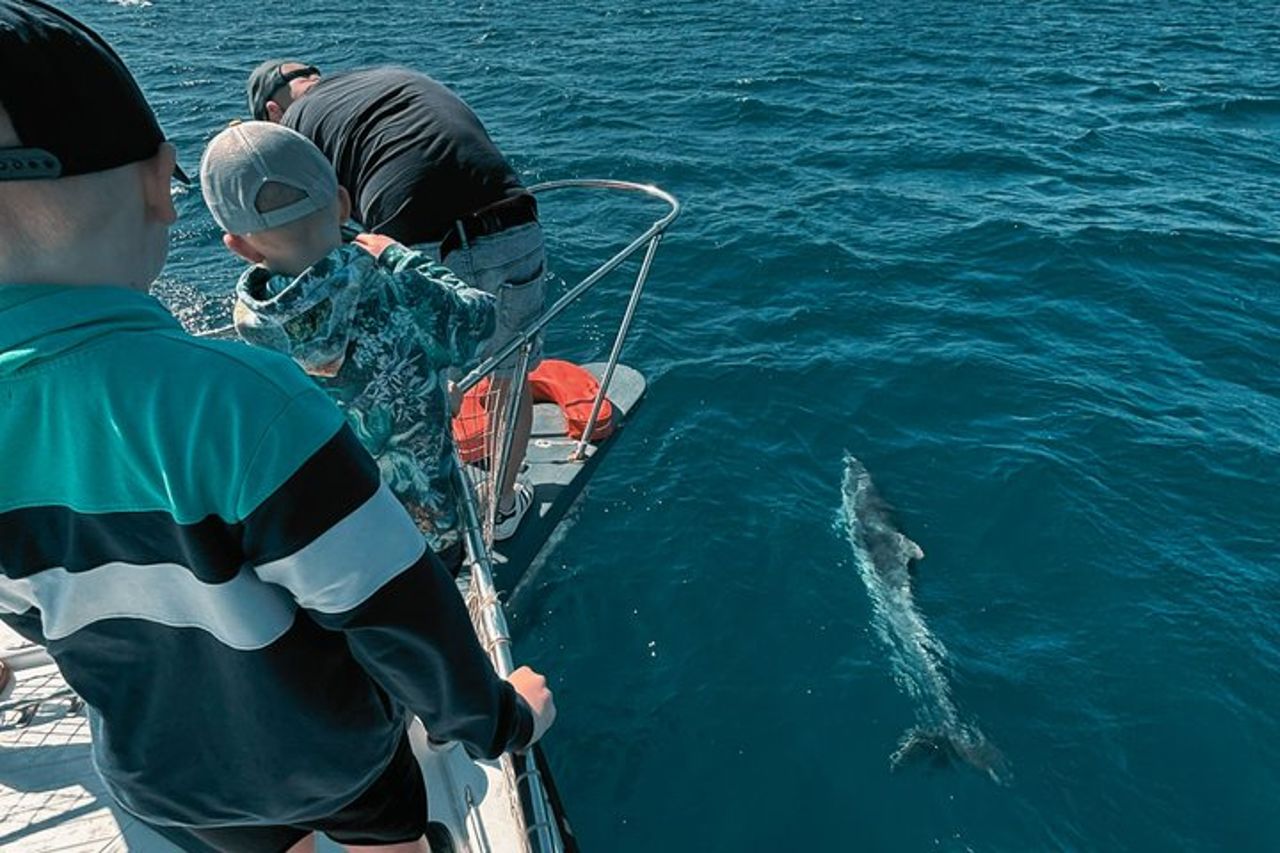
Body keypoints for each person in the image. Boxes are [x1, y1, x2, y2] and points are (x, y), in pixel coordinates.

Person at [0, 4, 554, 852]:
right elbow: (393, 608)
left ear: (237, 245)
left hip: (165, 774)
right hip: (335, 748)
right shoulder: (244, 402)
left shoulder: (252, 329)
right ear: (156, 186)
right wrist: (499, 718)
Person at [247, 59, 544, 540]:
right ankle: (503, 509)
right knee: (511, 375)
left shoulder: (294, 129)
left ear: (273, 113)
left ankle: (429, 522)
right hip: (512, 220)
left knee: (415, 381)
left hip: (413, 235)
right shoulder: (381, 77)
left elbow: (316, 228)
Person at [201, 120, 496, 576]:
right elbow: (478, 320)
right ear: (342, 203)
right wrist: (398, 255)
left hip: (334, 539)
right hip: (427, 530)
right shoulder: (396, 288)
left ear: (238, 246)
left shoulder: (252, 329)